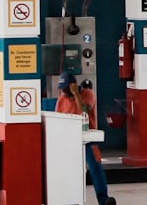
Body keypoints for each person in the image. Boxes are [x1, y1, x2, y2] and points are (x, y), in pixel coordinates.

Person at [56, 71, 115, 205]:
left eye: (66, 87)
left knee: (95, 167)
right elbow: (58, 119)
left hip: (88, 138)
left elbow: (84, 110)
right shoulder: (61, 99)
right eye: (62, 88)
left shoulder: (88, 94)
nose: (64, 91)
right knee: (69, 170)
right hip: (70, 140)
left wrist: (76, 94)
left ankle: (103, 199)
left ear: (73, 85)